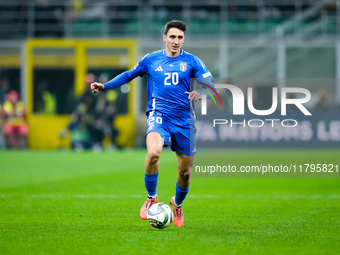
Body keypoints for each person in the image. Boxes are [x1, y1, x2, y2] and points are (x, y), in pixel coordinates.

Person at [90, 20, 215, 227]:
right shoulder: (151, 59)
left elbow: (212, 87)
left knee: (185, 172)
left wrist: (200, 93)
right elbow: (129, 74)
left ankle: (177, 203)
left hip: (184, 120)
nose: (176, 41)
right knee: (153, 153)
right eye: (172, 37)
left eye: (180, 37)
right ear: (164, 38)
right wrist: (105, 85)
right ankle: (151, 197)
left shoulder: (192, 61)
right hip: (159, 115)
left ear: (184, 39)